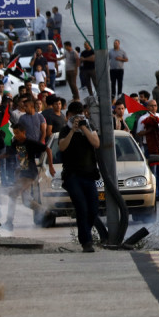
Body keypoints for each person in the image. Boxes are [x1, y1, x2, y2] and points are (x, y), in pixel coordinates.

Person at [58, 102, 100, 253]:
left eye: (80, 114)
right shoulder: (65, 130)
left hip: (89, 175)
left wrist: (83, 128)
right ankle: (86, 242)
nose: (77, 117)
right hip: (72, 176)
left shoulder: (89, 127)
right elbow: (62, 146)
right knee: (81, 207)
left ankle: (85, 234)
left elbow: (96, 143)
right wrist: (72, 130)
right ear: (68, 115)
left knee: (93, 209)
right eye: (74, 115)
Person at [2, 122, 54, 230]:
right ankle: (47, 212)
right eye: (14, 133)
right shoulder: (16, 143)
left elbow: (48, 150)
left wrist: (51, 167)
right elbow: (9, 154)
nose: (16, 135)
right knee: (26, 201)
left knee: (13, 195)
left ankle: (9, 222)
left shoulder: (30, 143)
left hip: (29, 174)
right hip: (22, 173)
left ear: (24, 132)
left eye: (17, 133)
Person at [135, 100, 159, 200]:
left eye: (155, 106)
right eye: (151, 106)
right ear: (148, 107)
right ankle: (154, 194)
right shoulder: (143, 118)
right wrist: (148, 131)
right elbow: (139, 133)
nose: (153, 108)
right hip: (150, 147)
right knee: (152, 172)